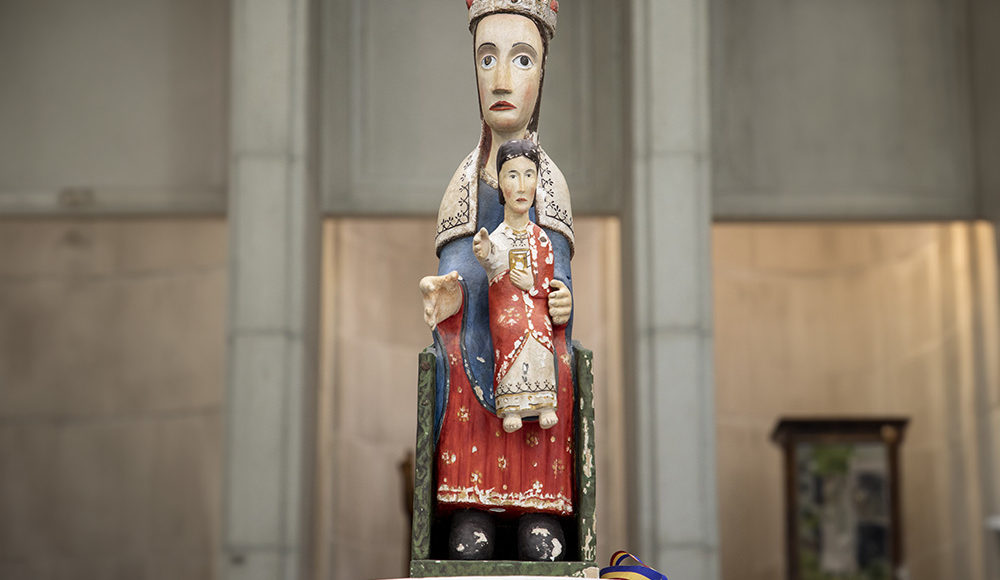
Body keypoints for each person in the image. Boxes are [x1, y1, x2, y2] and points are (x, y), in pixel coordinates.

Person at [418, 0, 574, 561]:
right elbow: (457, 265)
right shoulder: (462, 183)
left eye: (522, 59)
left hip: (533, 332)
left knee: (559, 363)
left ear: (543, 72)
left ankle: (539, 510)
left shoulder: (552, 185)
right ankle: (472, 509)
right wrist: (448, 292)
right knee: (455, 359)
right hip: (479, 338)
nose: (502, 79)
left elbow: (560, 269)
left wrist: (562, 300)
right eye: (488, 59)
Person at [473, 139, 558, 435]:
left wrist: (533, 286)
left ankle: (544, 402)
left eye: (528, 175)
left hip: (535, 308)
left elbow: (548, 273)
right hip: (506, 309)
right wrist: (485, 252)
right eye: (512, 176)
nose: (521, 186)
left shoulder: (541, 237)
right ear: (500, 183)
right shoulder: (498, 237)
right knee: (510, 329)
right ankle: (511, 405)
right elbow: (492, 261)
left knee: (541, 333)